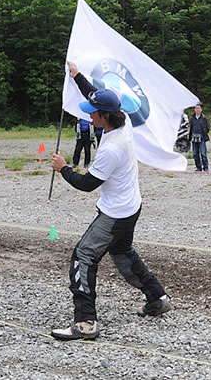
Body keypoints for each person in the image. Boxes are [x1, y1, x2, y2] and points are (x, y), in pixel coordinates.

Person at [50, 61, 171, 341]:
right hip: (130, 206)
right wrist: (77, 76)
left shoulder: (112, 149)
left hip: (115, 213)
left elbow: (87, 184)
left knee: (83, 256)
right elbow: (96, 94)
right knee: (122, 253)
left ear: (105, 116)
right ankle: (157, 298)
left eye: (94, 114)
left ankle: (85, 323)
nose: (90, 117)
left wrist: (63, 168)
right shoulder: (121, 119)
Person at [188, 104, 210, 172]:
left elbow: (208, 127)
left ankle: (206, 167)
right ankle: (198, 167)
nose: (197, 110)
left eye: (199, 108)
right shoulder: (192, 118)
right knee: (195, 154)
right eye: (196, 108)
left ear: (201, 109)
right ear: (194, 110)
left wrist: (204, 133)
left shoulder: (204, 118)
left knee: (203, 153)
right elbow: (190, 127)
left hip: (202, 137)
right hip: (194, 137)